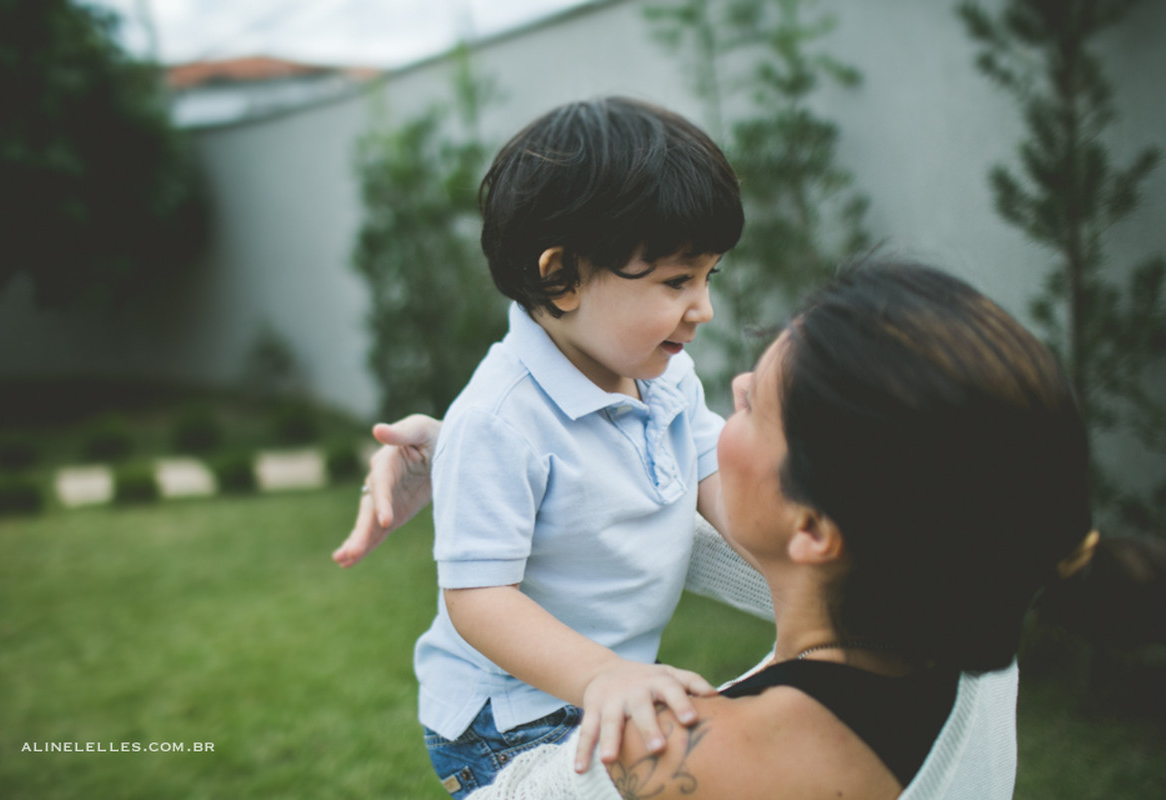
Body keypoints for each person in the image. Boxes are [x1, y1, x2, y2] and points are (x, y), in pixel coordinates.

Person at [340, 260, 1099, 799]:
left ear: (812, 527)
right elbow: (643, 525)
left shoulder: (679, 757)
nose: (728, 385)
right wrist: (476, 460)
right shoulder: (970, 624)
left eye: (754, 406)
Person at [335, 96, 745, 797]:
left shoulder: (667, 374)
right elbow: (479, 600)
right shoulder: (500, 419)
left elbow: (722, 488)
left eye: (710, 276)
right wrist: (602, 675)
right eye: (678, 280)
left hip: (600, 685)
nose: (703, 307)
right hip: (509, 719)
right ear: (562, 277)